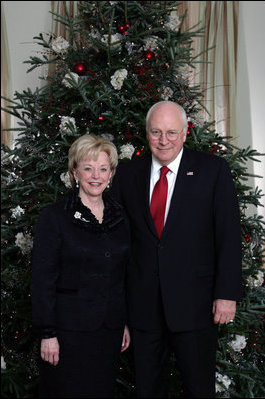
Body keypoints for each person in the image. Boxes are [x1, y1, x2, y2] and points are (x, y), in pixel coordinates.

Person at [111, 101, 242, 398]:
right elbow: (118, 242)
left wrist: (227, 294)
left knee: (198, 389)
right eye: (156, 132)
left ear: (185, 133)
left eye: (171, 132)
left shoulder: (212, 170)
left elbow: (228, 235)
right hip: (143, 308)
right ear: (147, 134)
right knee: (147, 389)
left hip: (196, 305)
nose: (163, 140)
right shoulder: (127, 174)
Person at [31, 134, 131, 398]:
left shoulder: (120, 216)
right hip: (67, 334)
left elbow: (121, 276)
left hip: (108, 332)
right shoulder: (54, 217)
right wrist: (47, 333)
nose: (95, 175)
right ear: (75, 172)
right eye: (88, 168)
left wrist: (123, 323)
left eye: (102, 169)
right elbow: (42, 280)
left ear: (111, 174)